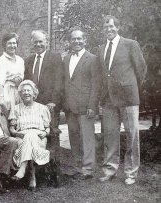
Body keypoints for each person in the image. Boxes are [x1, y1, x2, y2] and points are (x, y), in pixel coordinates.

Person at [99, 15, 147, 185]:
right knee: (110, 135)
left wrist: (130, 87)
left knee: (131, 135)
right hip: (108, 100)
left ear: (118, 28)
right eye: (106, 27)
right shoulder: (101, 48)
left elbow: (141, 69)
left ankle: (131, 173)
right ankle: (110, 169)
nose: (109, 30)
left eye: (112, 27)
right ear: (103, 29)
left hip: (128, 98)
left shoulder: (130, 44)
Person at [61, 27, 101, 179]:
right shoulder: (66, 59)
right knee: (74, 137)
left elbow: (96, 84)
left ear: (85, 40)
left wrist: (92, 105)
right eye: (73, 39)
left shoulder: (92, 59)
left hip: (85, 107)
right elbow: (66, 82)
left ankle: (88, 168)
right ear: (70, 42)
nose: (76, 41)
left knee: (87, 138)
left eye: (79, 39)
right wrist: (65, 104)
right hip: (70, 107)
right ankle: (77, 166)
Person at [9, 80, 51, 190]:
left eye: (29, 90)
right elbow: (12, 129)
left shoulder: (43, 108)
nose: (26, 93)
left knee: (31, 134)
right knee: (28, 136)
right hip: (21, 138)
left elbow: (47, 128)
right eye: (23, 91)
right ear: (20, 94)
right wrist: (16, 133)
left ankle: (22, 169)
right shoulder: (16, 109)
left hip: (39, 138)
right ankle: (32, 176)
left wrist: (45, 132)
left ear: (34, 93)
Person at [24, 30, 64, 134]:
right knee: (36, 133)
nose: (38, 44)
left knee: (52, 134)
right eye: (35, 42)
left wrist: (53, 101)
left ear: (46, 42)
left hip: (50, 105)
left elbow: (59, 81)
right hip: (33, 105)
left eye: (41, 41)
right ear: (32, 43)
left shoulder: (55, 58)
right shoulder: (28, 60)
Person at [0, 33, 25, 111]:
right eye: (9, 43)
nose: (12, 46)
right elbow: (0, 81)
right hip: (7, 93)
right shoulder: (1, 61)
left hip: (19, 92)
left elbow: (22, 77)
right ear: (5, 45)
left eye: (14, 43)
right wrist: (1, 98)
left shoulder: (20, 60)